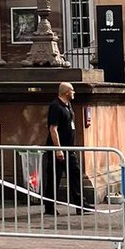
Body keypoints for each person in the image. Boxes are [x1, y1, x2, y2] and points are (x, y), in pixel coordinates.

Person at [42, 80, 82, 216]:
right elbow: (53, 129)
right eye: (72, 90)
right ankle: (49, 207)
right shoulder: (55, 106)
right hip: (58, 149)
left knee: (75, 173)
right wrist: (58, 149)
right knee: (54, 177)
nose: (74, 92)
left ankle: (81, 204)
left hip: (69, 148)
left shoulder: (68, 105)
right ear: (66, 92)